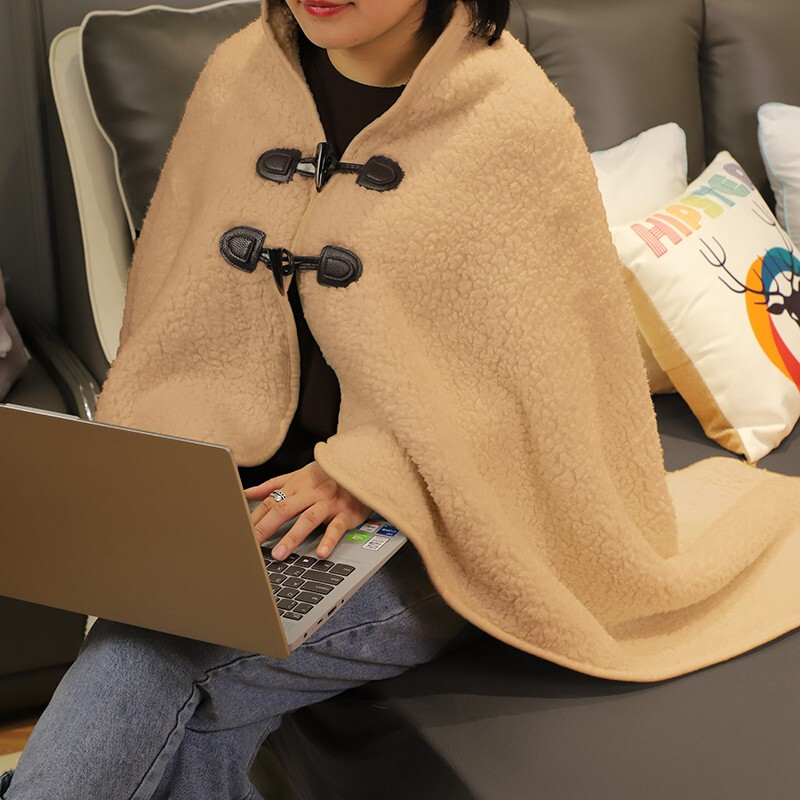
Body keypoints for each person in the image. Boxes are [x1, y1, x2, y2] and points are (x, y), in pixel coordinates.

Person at [0, 1, 506, 797]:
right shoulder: (242, 77)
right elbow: (178, 318)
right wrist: (175, 471)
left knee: (151, 653)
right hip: (249, 502)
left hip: (432, 528)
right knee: (172, 671)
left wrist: (368, 469)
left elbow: (529, 389)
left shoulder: (506, 113)